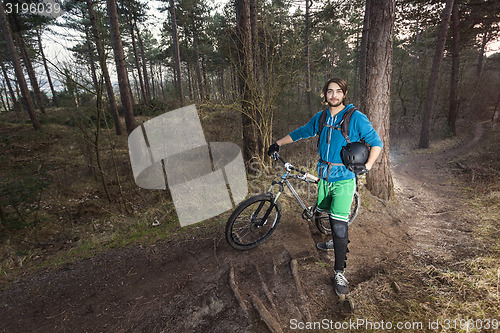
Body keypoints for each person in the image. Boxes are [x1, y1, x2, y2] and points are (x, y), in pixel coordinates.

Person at [267, 77, 383, 297]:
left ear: (344, 94)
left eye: (338, 91)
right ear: (325, 95)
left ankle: (339, 271)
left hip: (344, 178)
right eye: (330, 92)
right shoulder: (320, 118)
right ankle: (333, 242)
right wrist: (278, 143)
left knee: (339, 224)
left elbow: (377, 143)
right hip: (324, 177)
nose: (334, 95)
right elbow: (302, 131)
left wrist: (366, 166)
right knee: (325, 213)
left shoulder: (355, 118)